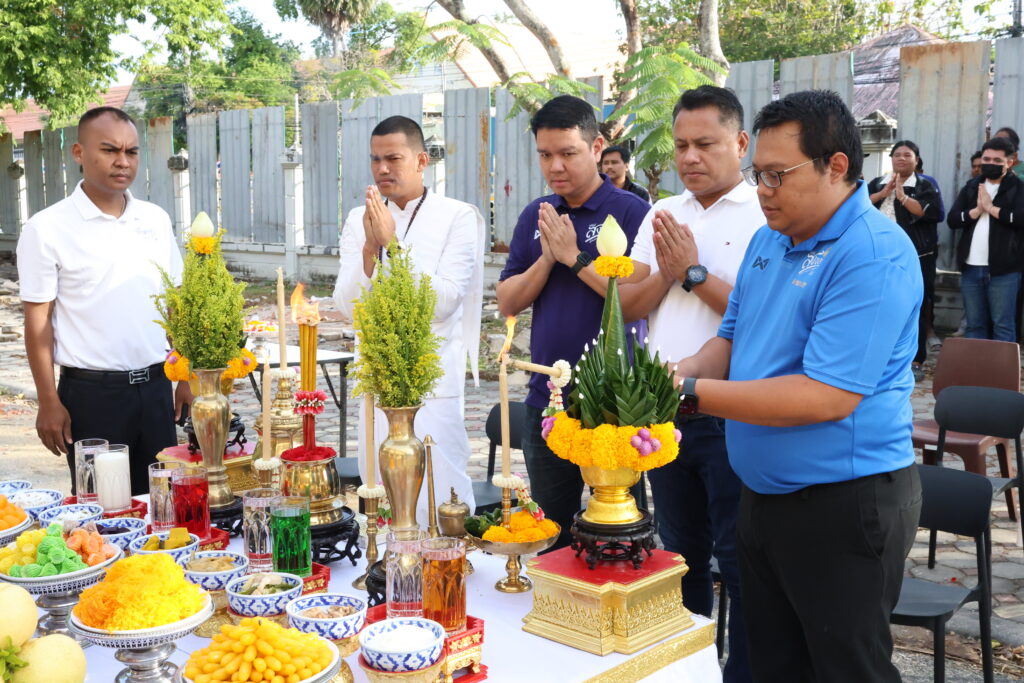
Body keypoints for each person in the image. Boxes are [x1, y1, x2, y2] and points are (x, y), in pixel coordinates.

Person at [673, 90, 922, 681]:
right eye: (758, 174)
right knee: (772, 665)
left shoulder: (872, 254)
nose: (763, 190)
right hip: (763, 495)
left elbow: (825, 396)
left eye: (777, 175)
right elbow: (730, 339)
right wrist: (676, 372)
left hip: (843, 501)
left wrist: (688, 393)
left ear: (836, 165)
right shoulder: (770, 239)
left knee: (845, 669)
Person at [618, 85, 760, 683]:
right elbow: (626, 303)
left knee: (740, 560)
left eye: (705, 143)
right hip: (662, 412)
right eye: (681, 146)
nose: (690, 157)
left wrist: (694, 273)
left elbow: (760, 318)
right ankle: (686, 669)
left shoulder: (765, 214)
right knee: (678, 557)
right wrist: (671, 272)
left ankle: (742, 673)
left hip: (732, 415)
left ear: (741, 143)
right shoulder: (662, 212)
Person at [496, 96, 650, 550]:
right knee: (550, 532)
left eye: (568, 152)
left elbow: (634, 299)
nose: (555, 166)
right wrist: (547, 258)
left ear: (597, 146)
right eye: (545, 155)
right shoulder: (537, 214)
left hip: (616, 405)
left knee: (620, 533)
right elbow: (508, 301)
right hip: (549, 400)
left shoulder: (630, 212)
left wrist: (574, 257)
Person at [17, 106, 190, 496]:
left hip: (156, 389)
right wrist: (48, 400)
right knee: (103, 510)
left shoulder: (155, 219)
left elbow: (174, 302)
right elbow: (38, 323)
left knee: (164, 505)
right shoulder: (47, 228)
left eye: (131, 151)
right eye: (110, 150)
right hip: (92, 397)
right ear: (79, 152)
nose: (122, 161)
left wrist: (187, 375)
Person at [333, 115, 484, 524]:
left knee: (442, 496)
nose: (382, 168)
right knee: (380, 494)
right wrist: (370, 249)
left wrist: (393, 246)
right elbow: (347, 306)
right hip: (377, 379)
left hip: (432, 383)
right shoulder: (358, 218)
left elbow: (444, 302)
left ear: (421, 161)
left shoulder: (457, 216)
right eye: (375, 159)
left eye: (393, 158)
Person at [867, 140, 944, 380]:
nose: (901, 158)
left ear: (916, 160)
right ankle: (878, 358)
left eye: (907, 155)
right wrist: (883, 193)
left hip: (916, 258)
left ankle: (916, 360)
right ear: (891, 159)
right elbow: (858, 205)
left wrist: (902, 196)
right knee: (877, 306)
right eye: (897, 154)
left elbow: (933, 213)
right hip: (877, 258)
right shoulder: (877, 183)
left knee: (914, 308)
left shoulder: (924, 185)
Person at [948, 136, 1024, 341]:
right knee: (974, 325)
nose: (990, 164)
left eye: (997, 160)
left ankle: (1002, 364)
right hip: (971, 268)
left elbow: (1020, 218)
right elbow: (952, 219)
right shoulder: (972, 186)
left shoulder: (1018, 188)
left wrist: (992, 209)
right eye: (987, 159)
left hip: (1004, 270)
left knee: (1003, 325)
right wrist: (976, 211)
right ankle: (977, 363)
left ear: (1010, 162)